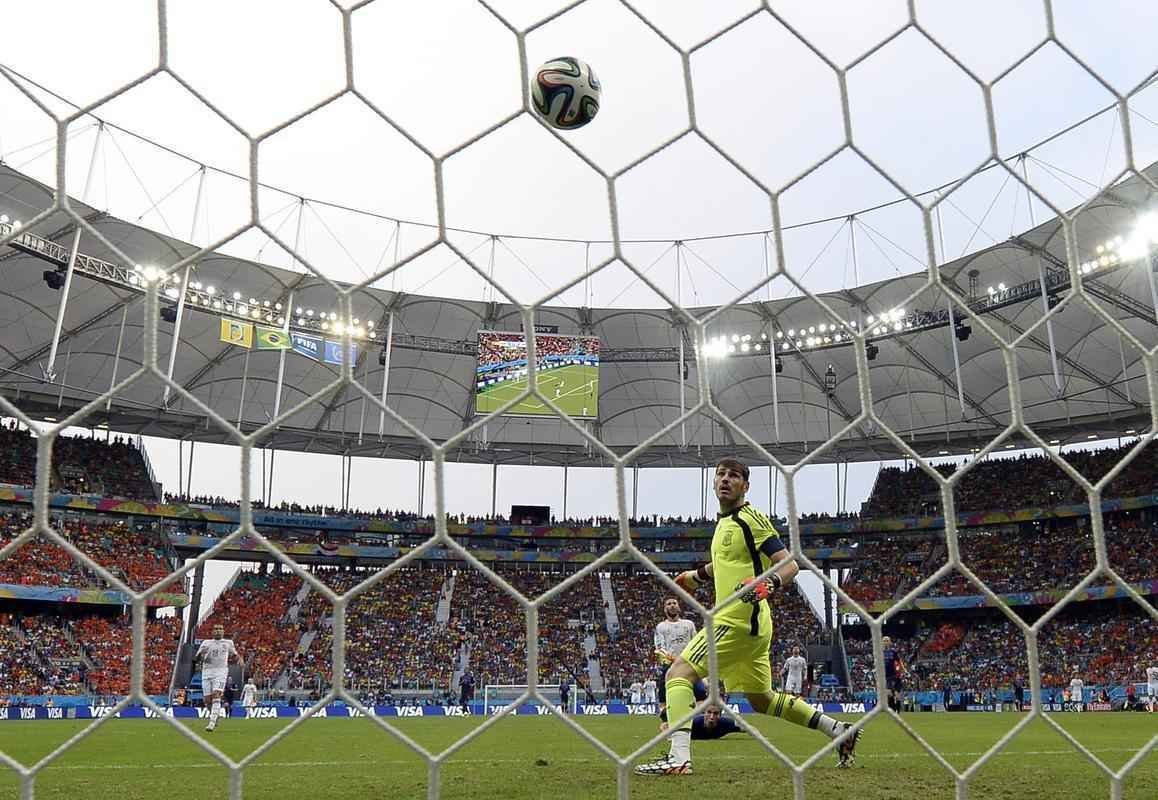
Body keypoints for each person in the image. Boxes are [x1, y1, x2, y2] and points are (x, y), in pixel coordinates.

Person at [634, 457, 861, 776]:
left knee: (678, 675)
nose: (726, 479)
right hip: (752, 626)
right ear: (713, 483)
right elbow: (724, 563)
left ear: (745, 485)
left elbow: (790, 563)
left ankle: (679, 757)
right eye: (721, 475)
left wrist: (766, 584)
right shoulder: (725, 524)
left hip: (736, 620)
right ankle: (838, 730)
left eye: (734, 476)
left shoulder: (749, 518)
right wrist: (694, 575)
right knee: (762, 700)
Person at [654, 596, 705, 724]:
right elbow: (660, 647)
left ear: (679, 607)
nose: (672, 605)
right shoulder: (661, 627)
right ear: (665, 609)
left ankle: (698, 721)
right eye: (669, 604)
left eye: (674, 603)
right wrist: (671, 658)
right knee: (663, 689)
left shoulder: (689, 624)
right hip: (670, 664)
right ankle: (666, 721)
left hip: (688, 663)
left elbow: (696, 642)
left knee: (700, 691)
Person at [194, 624, 241, 732]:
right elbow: (196, 658)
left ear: (223, 631)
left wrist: (240, 659)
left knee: (217, 695)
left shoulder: (228, 643)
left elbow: (235, 654)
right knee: (207, 701)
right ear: (212, 632)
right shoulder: (206, 643)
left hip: (221, 672)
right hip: (206, 672)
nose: (218, 631)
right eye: (216, 629)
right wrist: (202, 655)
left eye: (220, 629)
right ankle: (214, 717)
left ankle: (211, 723)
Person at [883, 636, 905, 713]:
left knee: (897, 694)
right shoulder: (880, 652)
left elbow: (899, 661)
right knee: (889, 693)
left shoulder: (893, 652)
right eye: (884, 641)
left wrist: (903, 669)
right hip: (886, 676)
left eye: (887, 640)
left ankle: (898, 711)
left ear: (890, 642)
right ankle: (893, 710)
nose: (885, 642)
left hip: (894, 675)